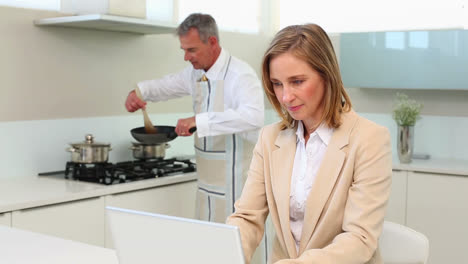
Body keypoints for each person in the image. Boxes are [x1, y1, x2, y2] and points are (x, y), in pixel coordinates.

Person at [226, 23, 392, 264]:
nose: (285, 96)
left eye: (297, 81)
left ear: (327, 76)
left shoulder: (369, 139)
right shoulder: (269, 139)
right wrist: (225, 253)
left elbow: (359, 238)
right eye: (277, 83)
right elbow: (247, 218)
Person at [125, 13, 264, 223]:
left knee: (238, 249)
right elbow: (167, 85)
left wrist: (199, 121)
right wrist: (138, 92)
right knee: (208, 247)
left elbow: (253, 116)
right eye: (184, 50)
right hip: (207, 184)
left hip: (237, 185)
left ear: (213, 42)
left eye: (192, 50)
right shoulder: (196, 74)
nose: (186, 57)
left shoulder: (240, 74)